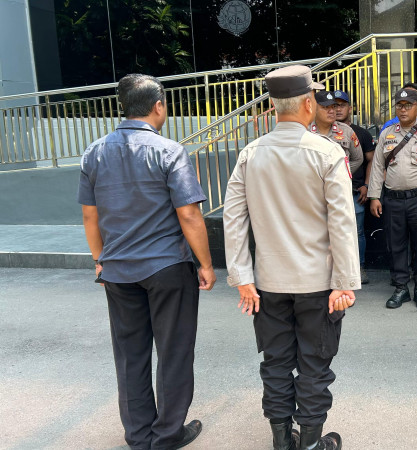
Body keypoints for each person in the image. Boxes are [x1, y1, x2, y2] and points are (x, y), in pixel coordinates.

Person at [223, 65, 359, 450]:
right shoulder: (327, 152)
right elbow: (342, 222)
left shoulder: (250, 154)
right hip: (318, 284)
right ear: (308, 104)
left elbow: (233, 218)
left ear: (272, 106)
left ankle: (282, 442)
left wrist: (242, 277)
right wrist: (344, 282)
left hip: (268, 283)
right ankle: (311, 444)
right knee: (314, 364)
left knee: (276, 362)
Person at [78, 73, 215, 450]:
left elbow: (90, 215)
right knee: (174, 352)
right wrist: (205, 264)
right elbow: (189, 214)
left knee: (130, 355)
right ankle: (167, 434)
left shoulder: (94, 152)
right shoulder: (169, 151)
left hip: (118, 270)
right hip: (167, 267)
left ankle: (139, 436)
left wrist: (99, 260)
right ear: (158, 106)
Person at [368, 87, 417, 310]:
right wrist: (374, 196)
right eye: (399, 105)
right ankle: (401, 288)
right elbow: (377, 167)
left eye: (408, 105)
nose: (403, 110)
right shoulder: (387, 133)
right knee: (395, 245)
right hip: (392, 199)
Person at [334, 89, 375, 284]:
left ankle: (359, 267)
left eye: (342, 105)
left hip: (355, 191)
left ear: (350, 108)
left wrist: (367, 185)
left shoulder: (361, 133)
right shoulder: (321, 132)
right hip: (330, 192)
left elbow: (371, 161)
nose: (337, 109)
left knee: (357, 232)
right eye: (333, 105)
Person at [309, 90, 363, 175]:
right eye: (326, 107)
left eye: (333, 106)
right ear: (314, 109)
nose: (331, 111)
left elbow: (358, 159)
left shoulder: (346, 131)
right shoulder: (306, 131)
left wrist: (341, 174)